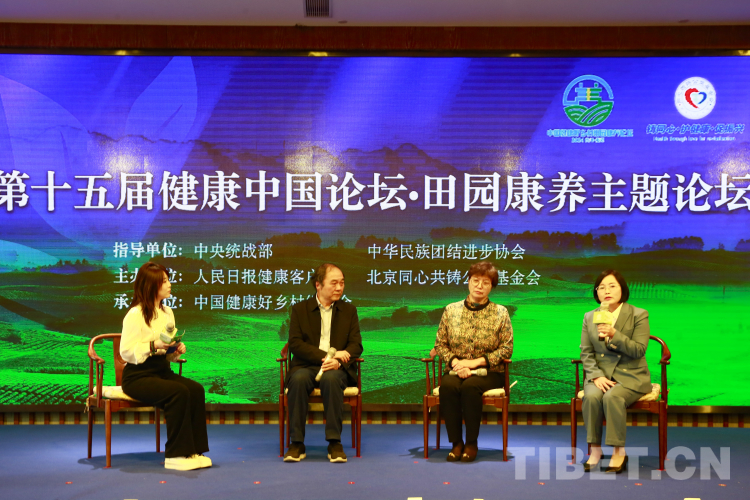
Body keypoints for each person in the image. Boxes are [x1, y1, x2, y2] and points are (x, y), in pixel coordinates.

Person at [120, 262, 210, 471]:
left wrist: (176, 351)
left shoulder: (168, 312)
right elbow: (126, 352)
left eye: (168, 280)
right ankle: (175, 455)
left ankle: (194, 451)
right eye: (164, 281)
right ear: (151, 285)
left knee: (196, 389)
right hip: (138, 376)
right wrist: (153, 345)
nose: (169, 285)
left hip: (161, 370)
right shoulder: (135, 314)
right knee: (178, 392)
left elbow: (167, 353)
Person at [434, 261, 514, 462]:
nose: (479, 286)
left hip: (490, 372)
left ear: (491, 286)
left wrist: (474, 363)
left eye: (485, 282)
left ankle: (471, 443)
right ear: (468, 282)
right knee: (448, 386)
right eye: (475, 280)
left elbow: (506, 348)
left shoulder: (501, 313)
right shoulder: (451, 310)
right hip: (455, 369)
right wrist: (456, 363)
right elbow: (440, 345)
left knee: (470, 386)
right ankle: (456, 443)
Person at [283, 263, 363, 463]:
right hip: (306, 365)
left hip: (336, 368)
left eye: (342, 283)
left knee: (332, 379)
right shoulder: (300, 309)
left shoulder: (349, 310)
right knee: (299, 380)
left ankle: (334, 443)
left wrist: (338, 362)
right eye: (334, 283)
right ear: (318, 285)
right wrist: (326, 356)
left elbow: (356, 345)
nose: (339, 288)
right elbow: (295, 343)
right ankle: (296, 443)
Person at [580, 270, 652, 473]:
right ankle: (595, 450)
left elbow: (639, 349)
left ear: (622, 289)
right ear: (596, 292)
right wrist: (596, 376)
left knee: (612, 397)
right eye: (601, 287)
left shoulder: (639, 314)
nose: (607, 291)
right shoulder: (589, 317)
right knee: (591, 397)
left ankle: (618, 451)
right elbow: (586, 351)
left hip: (630, 376)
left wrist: (614, 334)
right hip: (600, 375)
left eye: (612, 286)